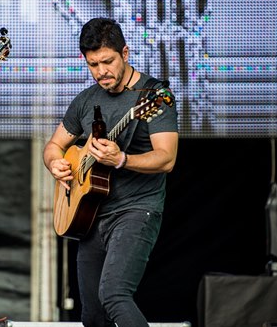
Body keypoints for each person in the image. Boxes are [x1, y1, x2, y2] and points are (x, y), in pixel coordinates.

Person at [43, 17, 179, 327]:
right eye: (93, 64)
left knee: (115, 294)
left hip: (136, 209)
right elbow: (53, 145)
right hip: (90, 216)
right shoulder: (86, 100)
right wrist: (56, 164)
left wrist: (121, 160)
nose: (102, 72)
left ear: (125, 53)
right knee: (92, 316)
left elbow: (167, 159)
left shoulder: (152, 96)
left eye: (108, 61)